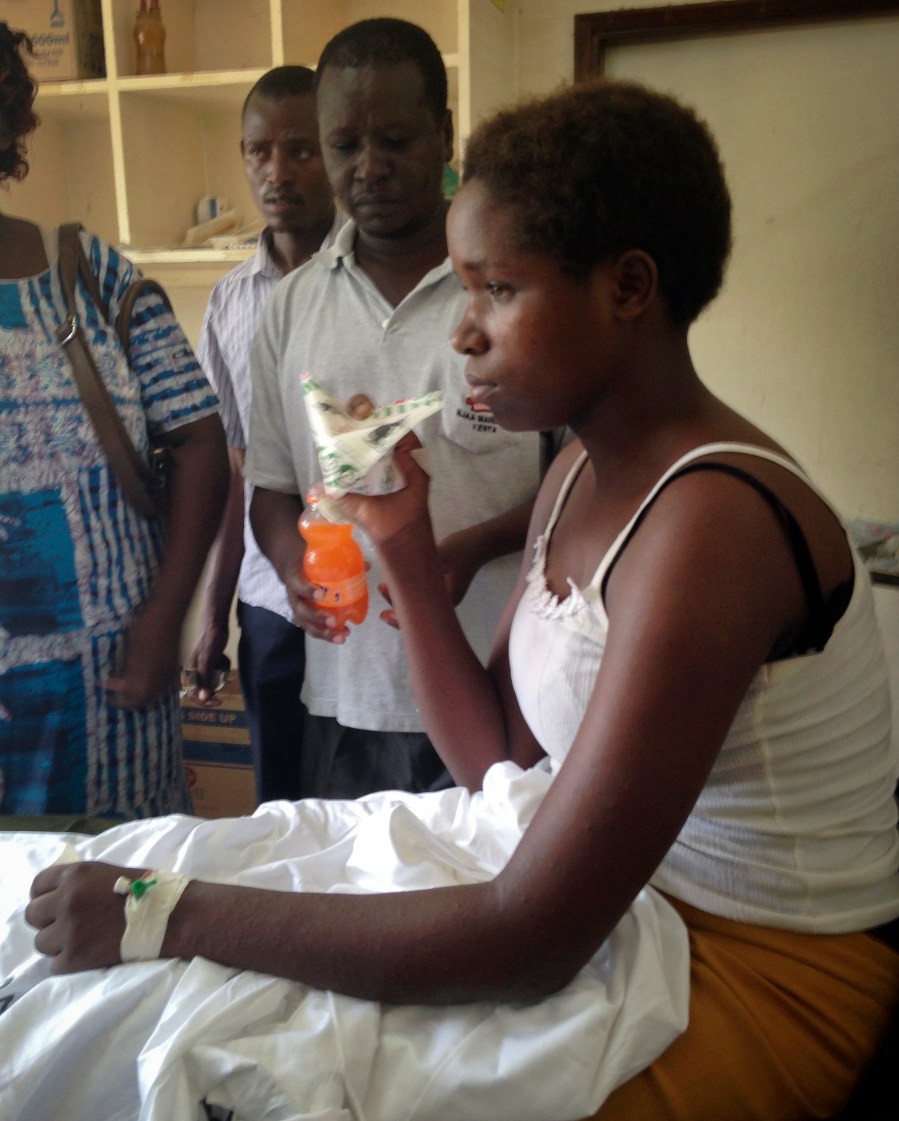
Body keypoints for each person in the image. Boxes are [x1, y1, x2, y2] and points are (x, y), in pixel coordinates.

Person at [20, 77, 899, 1121]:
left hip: (757, 968)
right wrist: (397, 544)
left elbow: (527, 941)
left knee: (237, 1047)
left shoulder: (709, 525)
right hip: (622, 907)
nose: (463, 335)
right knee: (160, 1003)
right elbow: (495, 763)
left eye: (493, 290)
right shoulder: (577, 474)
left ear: (626, 288)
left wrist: (168, 913)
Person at [244, 18, 548, 798]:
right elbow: (272, 486)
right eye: (344, 145)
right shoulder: (290, 309)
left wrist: (474, 545)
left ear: (444, 134)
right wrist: (291, 568)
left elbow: (583, 482)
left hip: (500, 687)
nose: (368, 168)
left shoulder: (509, 290)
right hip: (344, 696)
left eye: (396, 140)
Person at [0, 22, 229, 819]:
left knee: (125, 908)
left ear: (10, 119)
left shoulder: (87, 275)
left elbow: (201, 440)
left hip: (113, 697)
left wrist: (170, 615)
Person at [184, 65, 342, 803]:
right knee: (280, 804)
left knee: (372, 808)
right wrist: (212, 614)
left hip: (372, 596)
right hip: (269, 604)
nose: (277, 171)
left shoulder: (370, 279)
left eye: (301, 149)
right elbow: (230, 467)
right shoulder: (230, 302)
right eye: (258, 151)